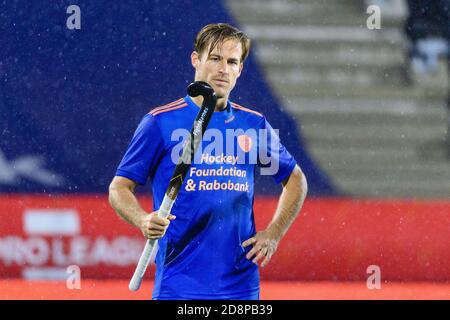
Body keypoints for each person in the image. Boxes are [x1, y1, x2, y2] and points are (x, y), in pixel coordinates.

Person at [108, 23, 308, 300]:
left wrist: (274, 233)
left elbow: (295, 178)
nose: (223, 69)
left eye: (232, 62)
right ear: (195, 59)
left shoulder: (254, 124)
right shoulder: (160, 122)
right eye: (215, 59)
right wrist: (143, 219)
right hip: (178, 286)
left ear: (240, 69)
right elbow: (119, 187)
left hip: (241, 287)